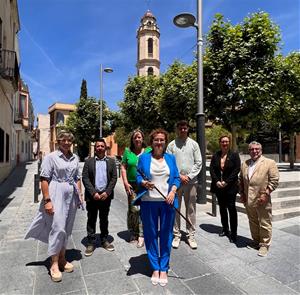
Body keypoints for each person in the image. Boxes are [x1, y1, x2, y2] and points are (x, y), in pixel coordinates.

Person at [25, 131, 83, 282]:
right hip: (56, 191)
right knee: (57, 227)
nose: (66, 142)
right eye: (63, 140)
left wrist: (80, 196)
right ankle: (54, 263)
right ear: (58, 142)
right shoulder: (51, 157)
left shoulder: (75, 158)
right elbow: (44, 179)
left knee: (67, 228)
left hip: (72, 195)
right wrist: (47, 200)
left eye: (69, 140)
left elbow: (77, 178)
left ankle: (63, 258)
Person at [134, 128, 180, 287]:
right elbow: (139, 175)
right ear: (151, 142)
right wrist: (143, 183)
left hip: (167, 202)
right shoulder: (144, 158)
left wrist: (173, 191)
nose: (159, 142)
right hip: (148, 201)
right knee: (150, 234)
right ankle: (155, 267)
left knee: (167, 235)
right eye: (156, 140)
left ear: (165, 142)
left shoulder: (171, 158)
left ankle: (164, 267)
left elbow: (176, 177)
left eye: (162, 140)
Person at [239, 141, 279, 257]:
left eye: (257, 149)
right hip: (249, 198)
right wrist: (241, 193)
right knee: (253, 221)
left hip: (263, 198)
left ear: (261, 150)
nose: (254, 151)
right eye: (252, 149)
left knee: (264, 222)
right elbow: (241, 179)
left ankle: (265, 245)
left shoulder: (269, 163)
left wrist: (266, 193)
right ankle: (256, 241)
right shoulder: (245, 164)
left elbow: (274, 180)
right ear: (249, 151)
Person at [166, 120, 202, 249]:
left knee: (191, 209)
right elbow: (169, 163)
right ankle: (176, 235)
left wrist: (189, 176)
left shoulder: (194, 144)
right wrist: (180, 176)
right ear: (177, 129)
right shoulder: (171, 145)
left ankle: (190, 235)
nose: (183, 130)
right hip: (176, 182)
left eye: (185, 128)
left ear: (188, 129)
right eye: (180, 128)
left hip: (191, 182)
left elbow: (199, 162)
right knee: (175, 208)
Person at [82, 138, 117, 256]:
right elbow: (85, 178)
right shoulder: (88, 162)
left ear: (105, 148)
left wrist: (107, 192)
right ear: (95, 148)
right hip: (92, 197)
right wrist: (93, 193)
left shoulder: (111, 162)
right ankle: (91, 242)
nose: (100, 148)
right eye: (98, 146)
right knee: (91, 219)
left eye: (102, 146)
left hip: (105, 196)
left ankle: (104, 240)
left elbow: (113, 178)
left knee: (104, 219)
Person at [121, 129, 151, 247]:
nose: (137, 139)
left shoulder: (148, 151)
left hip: (145, 185)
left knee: (143, 209)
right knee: (133, 209)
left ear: (143, 138)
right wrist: (125, 182)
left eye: (139, 137)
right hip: (132, 185)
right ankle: (133, 232)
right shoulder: (128, 151)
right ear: (132, 140)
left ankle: (142, 235)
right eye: (135, 138)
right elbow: (123, 167)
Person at [209, 135, 241, 243]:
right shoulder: (216, 155)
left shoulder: (234, 155)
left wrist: (226, 182)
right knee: (222, 208)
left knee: (231, 209)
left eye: (227, 141)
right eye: (223, 141)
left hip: (230, 187)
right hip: (218, 187)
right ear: (220, 143)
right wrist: (217, 181)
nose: (225, 143)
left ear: (229, 143)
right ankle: (225, 229)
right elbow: (212, 169)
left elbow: (236, 169)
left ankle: (234, 232)